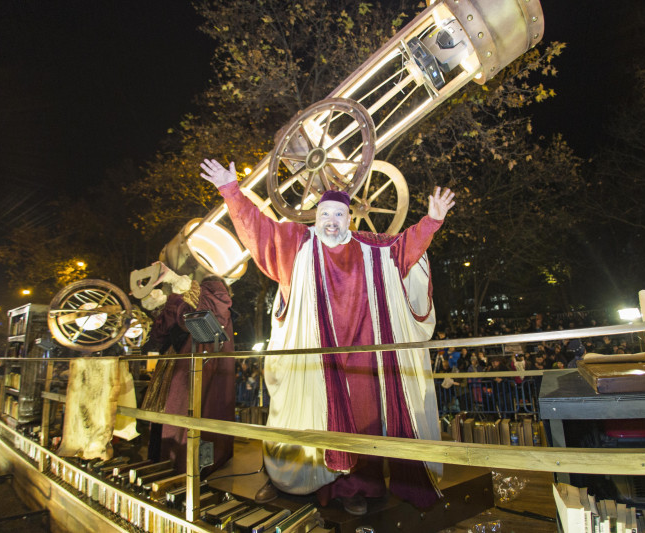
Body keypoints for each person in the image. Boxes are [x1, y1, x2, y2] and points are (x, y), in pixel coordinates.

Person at [200, 158, 455, 515]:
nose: (331, 222)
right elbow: (258, 231)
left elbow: (406, 248)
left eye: (338, 215)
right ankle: (320, 486)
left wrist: (432, 220)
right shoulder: (296, 246)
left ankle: (363, 487)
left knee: (367, 421)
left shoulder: (373, 247)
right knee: (316, 420)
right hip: (316, 360)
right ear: (315, 218)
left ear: (349, 218)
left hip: (366, 358)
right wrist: (231, 190)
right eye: (325, 216)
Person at [141, 274, 236, 478]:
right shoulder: (203, 295)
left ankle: (180, 462)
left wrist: (172, 299)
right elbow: (163, 331)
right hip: (183, 360)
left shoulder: (209, 290)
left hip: (192, 362)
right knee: (192, 411)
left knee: (187, 410)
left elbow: (191, 317)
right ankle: (180, 461)